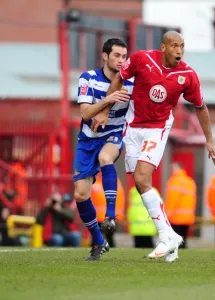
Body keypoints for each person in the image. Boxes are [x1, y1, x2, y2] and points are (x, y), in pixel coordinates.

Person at [92, 31, 215, 262]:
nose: (179, 51)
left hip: (157, 128)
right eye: (174, 46)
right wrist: (104, 110)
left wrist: (208, 139)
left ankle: (165, 236)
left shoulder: (188, 75)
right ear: (163, 47)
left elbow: (200, 106)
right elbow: (119, 77)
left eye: (182, 46)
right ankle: (171, 236)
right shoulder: (142, 59)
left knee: (142, 178)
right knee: (139, 183)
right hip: (132, 126)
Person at [73, 38, 133, 260]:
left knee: (107, 157)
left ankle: (110, 217)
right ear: (105, 56)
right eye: (116, 55)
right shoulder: (87, 78)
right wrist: (108, 100)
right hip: (87, 140)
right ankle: (99, 241)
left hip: (113, 135)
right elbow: (86, 113)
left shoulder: (131, 82)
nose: (121, 60)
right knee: (80, 194)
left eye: (124, 56)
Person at [164, 162, 196, 249]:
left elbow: (173, 200)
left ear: (178, 168)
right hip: (187, 217)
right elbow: (193, 201)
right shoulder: (190, 181)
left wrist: (167, 215)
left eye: (173, 168)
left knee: (175, 242)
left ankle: (174, 257)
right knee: (183, 241)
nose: (172, 170)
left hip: (176, 217)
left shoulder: (174, 181)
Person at [90, 173, 125, 247]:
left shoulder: (95, 182)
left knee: (102, 237)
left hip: (102, 215)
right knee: (107, 237)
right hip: (103, 216)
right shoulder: (116, 182)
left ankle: (95, 252)